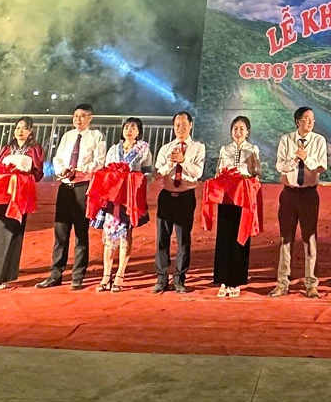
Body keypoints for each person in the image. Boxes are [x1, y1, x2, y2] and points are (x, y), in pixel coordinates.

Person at [38, 103, 105, 289]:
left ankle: (78, 276)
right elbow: (58, 158)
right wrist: (62, 170)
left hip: (83, 187)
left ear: (90, 118)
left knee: (81, 232)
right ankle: (55, 274)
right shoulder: (67, 136)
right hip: (65, 186)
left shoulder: (96, 136)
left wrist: (80, 170)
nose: (78, 119)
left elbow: (99, 161)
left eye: (82, 116)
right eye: (75, 116)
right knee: (60, 231)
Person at [0, 117, 44, 290]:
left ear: (30, 131)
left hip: (18, 196)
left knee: (12, 233)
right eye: (17, 128)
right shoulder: (7, 148)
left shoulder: (34, 148)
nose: (20, 131)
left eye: (24, 128)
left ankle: (4, 278)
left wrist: (23, 175)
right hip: (1, 195)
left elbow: (37, 173)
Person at [89, 118, 153, 291]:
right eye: (126, 127)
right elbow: (106, 171)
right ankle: (106, 275)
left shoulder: (143, 149)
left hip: (129, 199)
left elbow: (147, 173)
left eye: (133, 127)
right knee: (109, 236)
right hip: (112, 197)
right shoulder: (113, 149)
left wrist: (135, 181)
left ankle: (120, 274)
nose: (129, 130)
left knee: (125, 235)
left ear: (139, 132)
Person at [272, 106, 328, 298]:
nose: (311, 122)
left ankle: (311, 283)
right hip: (289, 194)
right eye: (306, 118)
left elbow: (321, 166)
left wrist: (307, 159)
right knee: (286, 238)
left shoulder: (319, 140)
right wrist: (295, 160)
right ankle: (282, 283)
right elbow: (280, 166)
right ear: (298, 122)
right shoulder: (286, 140)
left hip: (309, 195)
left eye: (312, 119)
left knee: (309, 238)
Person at [153, 111, 206, 294]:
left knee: (183, 239)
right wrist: (169, 164)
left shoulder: (198, 147)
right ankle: (161, 278)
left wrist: (183, 161)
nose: (180, 128)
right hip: (167, 195)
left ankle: (179, 279)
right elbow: (157, 174)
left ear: (190, 125)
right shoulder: (166, 148)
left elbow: (198, 173)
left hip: (185, 196)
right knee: (162, 238)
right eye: (177, 125)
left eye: (184, 124)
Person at [209, 115, 262, 297]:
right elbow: (218, 171)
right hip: (226, 198)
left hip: (243, 198)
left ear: (247, 132)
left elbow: (257, 173)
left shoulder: (252, 149)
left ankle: (236, 281)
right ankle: (223, 280)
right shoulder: (225, 149)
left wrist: (251, 179)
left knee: (241, 237)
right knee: (224, 237)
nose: (238, 132)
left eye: (241, 129)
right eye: (235, 128)